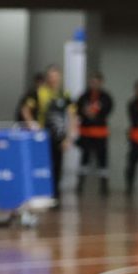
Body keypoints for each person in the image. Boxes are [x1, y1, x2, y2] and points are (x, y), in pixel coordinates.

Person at [33, 65, 77, 202]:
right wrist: (32, 125)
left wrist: (69, 137)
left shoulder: (65, 95)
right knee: (42, 164)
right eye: (51, 77)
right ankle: (41, 192)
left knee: (57, 165)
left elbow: (72, 116)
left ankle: (54, 194)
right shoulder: (40, 92)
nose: (54, 79)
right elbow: (26, 109)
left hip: (59, 136)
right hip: (42, 136)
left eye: (56, 77)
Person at [75, 71, 113, 196]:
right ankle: (80, 184)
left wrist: (95, 115)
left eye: (96, 82)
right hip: (86, 133)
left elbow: (107, 110)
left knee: (102, 160)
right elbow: (78, 109)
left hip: (100, 133)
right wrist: (85, 113)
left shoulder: (105, 97)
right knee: (84, 159)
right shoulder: (84, 96)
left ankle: (104, 185)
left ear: (101, 82)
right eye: (92, 82)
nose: (94, 84)